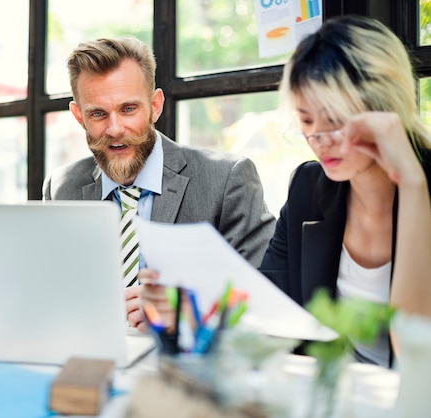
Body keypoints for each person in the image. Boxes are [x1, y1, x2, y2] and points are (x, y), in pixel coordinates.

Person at [141, 15, 431, 368]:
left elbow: (418, 352)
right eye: (307, 121)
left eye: (335, 120)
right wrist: (194, 308)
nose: (319, 141)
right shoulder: (309, 187)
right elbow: (269, 314)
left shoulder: (422, 187)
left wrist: (414, 187)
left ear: (383, 106)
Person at [43, 36, 275, 331]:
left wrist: (184, 310)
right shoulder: (62, 188)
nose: (115, 129)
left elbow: (265, 299)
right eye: (98, 114)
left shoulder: (227, 179)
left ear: (155, 106)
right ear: (79, 116)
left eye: (128, 109)